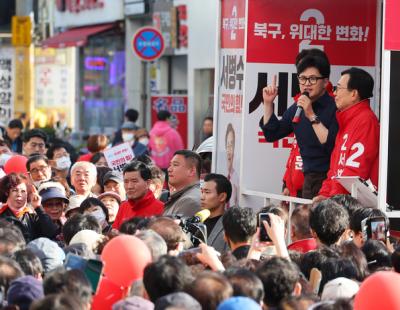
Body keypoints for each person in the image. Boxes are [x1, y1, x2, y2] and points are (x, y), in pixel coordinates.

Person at [260, 54, 338, 198]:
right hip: (308, 178)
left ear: (325, 81)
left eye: (313, 79)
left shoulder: (335, 107)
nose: (307, 83)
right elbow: (272, 133)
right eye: (302, 79)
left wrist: (311, 114)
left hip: (330, 179)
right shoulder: (298, 106)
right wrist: (268, 103)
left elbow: (331, 145)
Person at [316, 67, 380, 200]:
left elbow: (355, 172)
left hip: (352, 207)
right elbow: (334, 169)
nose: (334, 93)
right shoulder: (346, 120)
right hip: (340, 203)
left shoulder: (366, 121)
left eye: (338, 88)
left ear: (353, 94)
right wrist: (324, 194)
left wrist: (333, 201)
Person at [0, 173, 58, 242]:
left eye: (23, 191)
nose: (19, 195)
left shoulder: (33, 217)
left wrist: (38, 207)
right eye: (15, 190)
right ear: (7, 192)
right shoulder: (1, 216)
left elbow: (51, 233)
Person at [112, 161, 164, 230]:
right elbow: (114, 234)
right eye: (126, 182)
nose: (129, 186)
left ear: (148, 183)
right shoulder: (123, 207)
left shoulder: (162, 208)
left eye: (134, 181)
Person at [163, 150, 202, 217]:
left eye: (175, 165)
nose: (169, 169)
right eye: (170, 165)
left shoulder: (189, 201)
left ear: (191, 171)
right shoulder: (186, 197)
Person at [201, 173, 231, 253]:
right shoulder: (198, 220)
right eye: (202, 192)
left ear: (222, 197)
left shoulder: (229, 226)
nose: (202, 197)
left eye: (207, 192)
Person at [225, 124, 239, 207]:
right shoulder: (226, 176)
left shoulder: (236, 178)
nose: (229, 150)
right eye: (228, 145)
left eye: (232, 145)